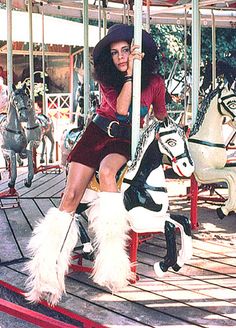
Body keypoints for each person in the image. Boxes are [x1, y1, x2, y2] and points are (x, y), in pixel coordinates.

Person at [25, 24, 168, 305]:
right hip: (98, 132)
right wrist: (128, 76)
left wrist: (163, 130)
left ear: (137, 51)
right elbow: (120, 109)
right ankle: (44, 272)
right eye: (115, 53)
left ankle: (112, 265)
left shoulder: (155, 82)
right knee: (69, 196)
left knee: (107, 171)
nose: (120, 57)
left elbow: (160, 115)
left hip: (126, 139)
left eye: (126, 50)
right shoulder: (109, 79)